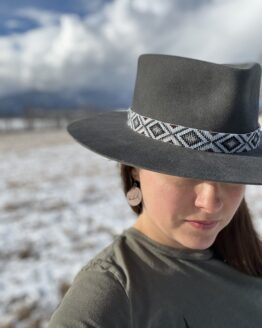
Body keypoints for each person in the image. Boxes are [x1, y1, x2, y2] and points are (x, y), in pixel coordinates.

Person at [48, 54, 262, 327]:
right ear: (135, 168)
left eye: (232, 175)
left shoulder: (247, 254)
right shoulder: (112, 293)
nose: (210, 202)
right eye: (184, 172)